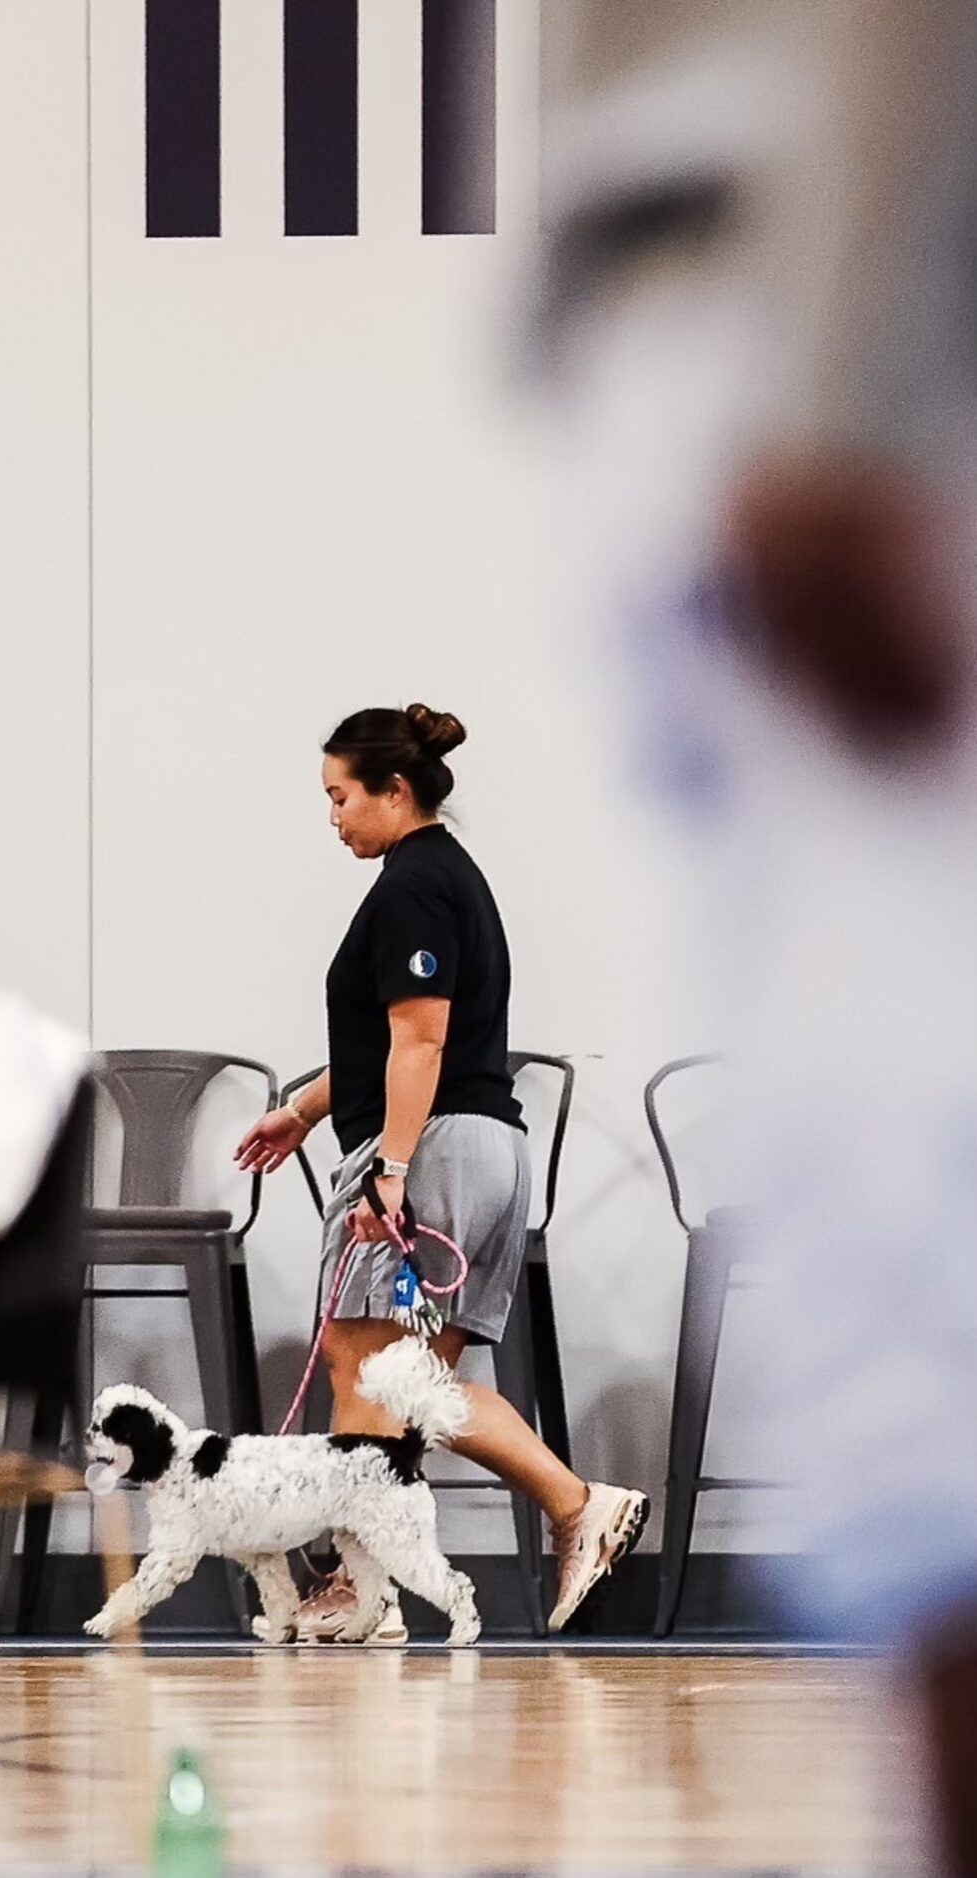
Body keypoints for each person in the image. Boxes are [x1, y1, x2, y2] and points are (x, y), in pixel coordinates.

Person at [536, 4, 977, 1867]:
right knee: (892, 1307)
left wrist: (836, 369)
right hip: (709, 291)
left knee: (920, 1268)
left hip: (835, 298)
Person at [236, 702, 648, 1642]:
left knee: (368, 1366)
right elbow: (398, 1036)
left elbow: (418, 1041)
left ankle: (572, 1503)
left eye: (340, 796)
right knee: (399, 1384)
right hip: (475, 1144)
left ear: (394, 788)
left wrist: (390, 1165)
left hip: (438, 1148)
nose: (332, 816)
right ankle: (365, 1589)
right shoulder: (436, 879)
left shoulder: (415, 886)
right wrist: (302, 1112)